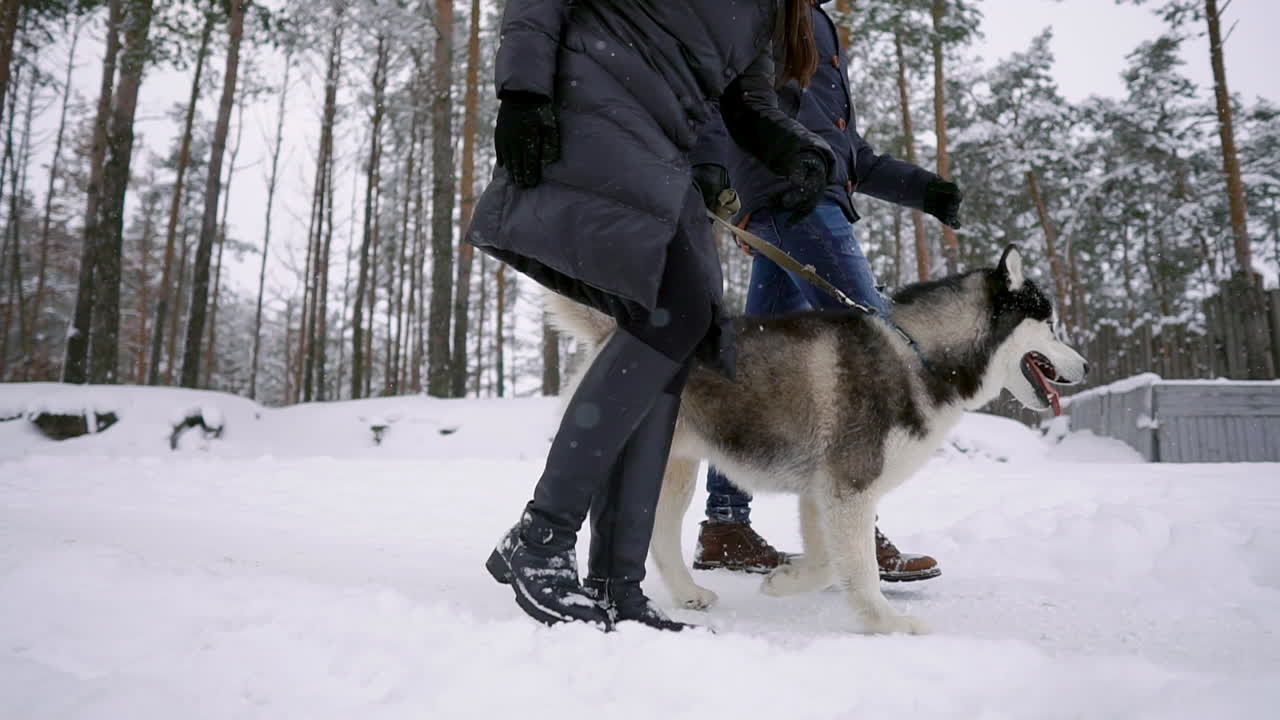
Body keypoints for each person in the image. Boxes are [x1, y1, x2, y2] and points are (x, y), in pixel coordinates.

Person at [468, 0, 836, 632]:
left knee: (680, 326)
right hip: (592, 102)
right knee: (676, 314)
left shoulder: (765, 13)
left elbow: (747, 106)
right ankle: (542, 537)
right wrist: (524, 91)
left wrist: (798, 150)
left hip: (665, 148)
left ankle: (618, 581)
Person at [687, 0, 963, 583]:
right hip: (794, 197)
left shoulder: (816, 22)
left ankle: (725, 524)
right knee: (876, 356)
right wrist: (716, 171)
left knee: (751, 374)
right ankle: (854, 530)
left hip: (804, 197)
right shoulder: (767, 9)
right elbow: (729, 96)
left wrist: (926, 191)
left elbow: (850, 155)